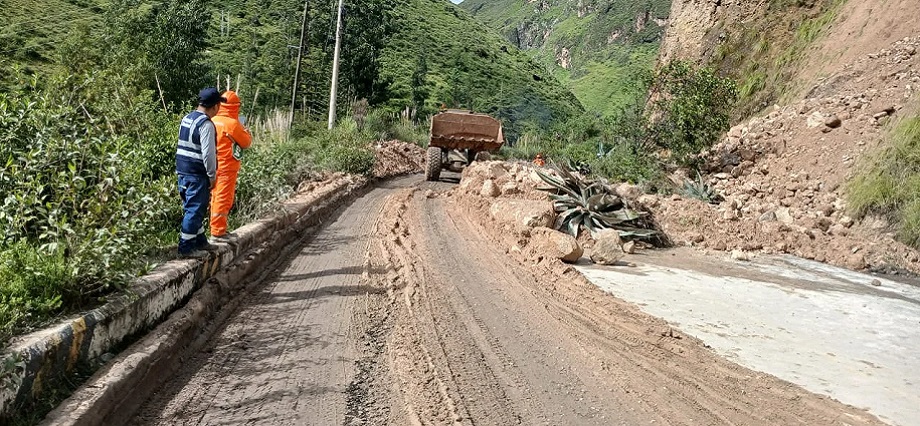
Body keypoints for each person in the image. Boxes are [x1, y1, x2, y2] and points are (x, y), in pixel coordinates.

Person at [176, 87, 225, 257]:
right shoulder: (206, 124)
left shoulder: (187, 118)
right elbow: (208, 153)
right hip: (197, 173)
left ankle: (200, 241)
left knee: (192, 207)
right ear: (215, 106)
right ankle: (186, 248)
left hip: (183, 171)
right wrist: (212, 175)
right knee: (195, 210)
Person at [209, 90, 252, 240]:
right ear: (235, 107)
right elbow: (246, 142)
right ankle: (218, 232)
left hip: (211, 166)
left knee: (215, 198)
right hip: (226, 168)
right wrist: (247, 132)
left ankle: (215, 229)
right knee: (223, 198)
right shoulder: (233, 124)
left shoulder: (212, 120)